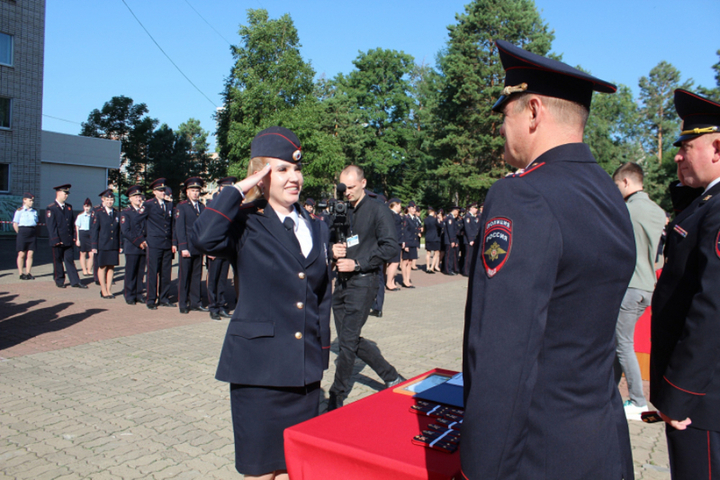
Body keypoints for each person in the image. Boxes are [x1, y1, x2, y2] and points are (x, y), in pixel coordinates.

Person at [461, 40, 635, 479]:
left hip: (535, 451)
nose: (501, 129)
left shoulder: (521, 194)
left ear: (534, 111)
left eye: (506, 114)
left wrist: (480, 467)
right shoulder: (608, 195)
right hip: (598, 442)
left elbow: (504, 354)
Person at [192, 126, 331, 480]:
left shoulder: (315, 226)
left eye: (296, 169)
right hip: (259, 373)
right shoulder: (244, 221)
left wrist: (321, 351)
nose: (294, 177)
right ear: (261, 174)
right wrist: (238, 188)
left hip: (303, 371)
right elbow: (203, 238)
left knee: (299, 468)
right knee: (261, 472)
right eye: (281, 169)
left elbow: (320, 294)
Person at [650, 89, 720, 479]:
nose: (677, 155)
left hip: (702, 404)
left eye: (687, 146)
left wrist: (679, 395)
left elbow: (712, 310)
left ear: (717, 148)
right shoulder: (706, 203)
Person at [327, 165, 404, 411]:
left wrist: (358, 263)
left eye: (351, 187)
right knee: (350, 339)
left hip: (364, 281)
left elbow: (391, 248)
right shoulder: (342, 210)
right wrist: (333, 250)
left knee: (347, 342)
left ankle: (336, 395)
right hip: (342, 282)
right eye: (343, 188)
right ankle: (391, 376)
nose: (346, 192)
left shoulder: (378, 210)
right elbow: (331, 238)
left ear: (363, 183)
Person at [611, 162, 666, 421]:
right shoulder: (657, 212)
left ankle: (638, 400)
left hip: (629, 285)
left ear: (625, 182)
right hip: (647, 285)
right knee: (618, 341)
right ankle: (608, 391)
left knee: (623, 343)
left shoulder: (626, 210)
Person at [175, 177, 208, 314]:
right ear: (187, 192)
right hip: (187, 247)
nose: (195, 193)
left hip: (197, 247)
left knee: (196, 275)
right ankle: (183, 303)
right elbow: (180, 228)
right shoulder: (181, 207)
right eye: (192, 190)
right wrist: (183, 247)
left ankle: (195, 302)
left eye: (197, 191)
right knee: (184, 276)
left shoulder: (202, 207)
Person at [206, 176, 236, 321]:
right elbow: (208, 229)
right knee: (213, 279)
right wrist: (208, 249)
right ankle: (213, 307)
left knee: (222, 279)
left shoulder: (232, 204)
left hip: (226, 248)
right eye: (226, 187)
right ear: (220, 188)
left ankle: (221, 304)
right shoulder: (213, 204)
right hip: (215, 249)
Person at [46, 184, 87, 289]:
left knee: (70, 260)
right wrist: (55, 239)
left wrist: (74, 235)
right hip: (58, 240)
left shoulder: (69, 207)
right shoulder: (51, 208)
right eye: (65, 193)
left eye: (67, 193)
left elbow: (72, 223)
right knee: (58, 261)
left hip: (68, 239)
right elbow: (51, 226)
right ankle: (59, 280)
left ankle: (75, 281)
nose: (66, 196)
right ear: (58, 193)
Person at [144, 178, 175, 309]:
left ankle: (164, 298)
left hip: (166, 243)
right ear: (154, 192)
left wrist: (174, 242)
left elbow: (172, 224)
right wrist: (142, 238)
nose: (163, 192)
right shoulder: (149, 205)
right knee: (153, 272)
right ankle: (151, 299)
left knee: (166, 272)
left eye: (163, 190)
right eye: (160, 190)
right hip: (154, 242)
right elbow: (138, 221)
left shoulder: (169, 205)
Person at [120, 185, 147, 305]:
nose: (138, 198)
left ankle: (138, 293)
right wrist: (139, 242)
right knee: (131, 272)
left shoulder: (144, 211)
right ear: (130, 199)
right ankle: (129, 295)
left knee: (140, 272)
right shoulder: (126, 213)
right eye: (135, 197)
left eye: (139, 196)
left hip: (144, 246)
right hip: (132, 246)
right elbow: (126, 231)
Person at [91, 189, 120, 299]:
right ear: (103, 200)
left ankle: (109, 290)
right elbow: (94, 230)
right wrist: (94, 245)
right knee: (102, 267)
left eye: (111, 200)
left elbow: (118, 231)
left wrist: (119, 245)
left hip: (113, 244)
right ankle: (103, 290)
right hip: (102, 244)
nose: (109, 202)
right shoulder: (98, 213)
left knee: (111, 267)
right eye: (107, 199)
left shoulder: (116, 213)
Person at [12, 192, 38, 280]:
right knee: (21, 254)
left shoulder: (34, 211)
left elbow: (36, 221)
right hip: (22, 233)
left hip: (32, 233)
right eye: (30, 200)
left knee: (30, 254)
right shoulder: (19, 211)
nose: (32, 202)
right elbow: (15, 223)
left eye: (32, 201)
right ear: (24, 200)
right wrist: (19, 233)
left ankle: (28, 272)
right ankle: (21, 273)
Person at [400, 201, 419, 288]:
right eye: (412, 208)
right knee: (405, 261)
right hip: (408, 242)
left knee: (410, 262)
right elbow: (404, 232)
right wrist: (406, 244)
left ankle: (408, 279)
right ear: (408, 208)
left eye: (415, 208)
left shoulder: (415, 218)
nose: (414, 210)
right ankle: (404, 280)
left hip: (413, 242)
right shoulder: (406, 218)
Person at [385, 198, 403, 290]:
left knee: (395, 262)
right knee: (394, 263)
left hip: (398, 241)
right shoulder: (391, 214)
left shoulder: (396, 215)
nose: (401, 207)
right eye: (400, 205)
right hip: (394, 241)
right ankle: (389, 283)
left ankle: (391, 281)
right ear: (395, 205)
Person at [75, 199, 94, 276]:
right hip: (82, 234)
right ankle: (84, 270)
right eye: (85, 206)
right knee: (83, 253)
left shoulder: (93, 216)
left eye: (88, 206)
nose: (87, 208)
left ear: (91, 207)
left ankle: (89, 269)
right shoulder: (80, 216)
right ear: (83, 207)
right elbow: (77, 227)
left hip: (90, 234)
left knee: (92, 253)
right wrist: (77, 239)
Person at [461, 203, 480, 276]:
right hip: (469, 240)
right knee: (468, 257)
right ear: (471, 208)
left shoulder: (473, 217)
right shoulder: (467, 217)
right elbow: (468, 229)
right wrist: (470, 239)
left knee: (472, 256)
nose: (476, 209)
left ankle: (470, 270)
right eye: (475, 208)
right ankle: (466, 271)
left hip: (474, 239)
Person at [442, 206, 459, 275]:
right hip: (449, 240)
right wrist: (452, 241)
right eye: (457, 210)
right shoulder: (450, 218)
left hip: (451, 240)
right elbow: (450, 231)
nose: (458, 212)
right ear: (454, 210)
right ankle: (447, 270)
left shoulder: (451, 218)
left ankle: (449, 268)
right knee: (449, 255)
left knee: (451, 255)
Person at [423, 207, 441, 274]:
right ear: (433, 212)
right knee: (436, 253)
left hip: (428, 237)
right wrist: (439, 220)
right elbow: (440, 226)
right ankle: (432, 267)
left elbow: (425, 229)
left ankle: (427, 267)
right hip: (434, 237)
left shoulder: (425, 220)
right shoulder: (435, 219)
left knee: (428, 252)